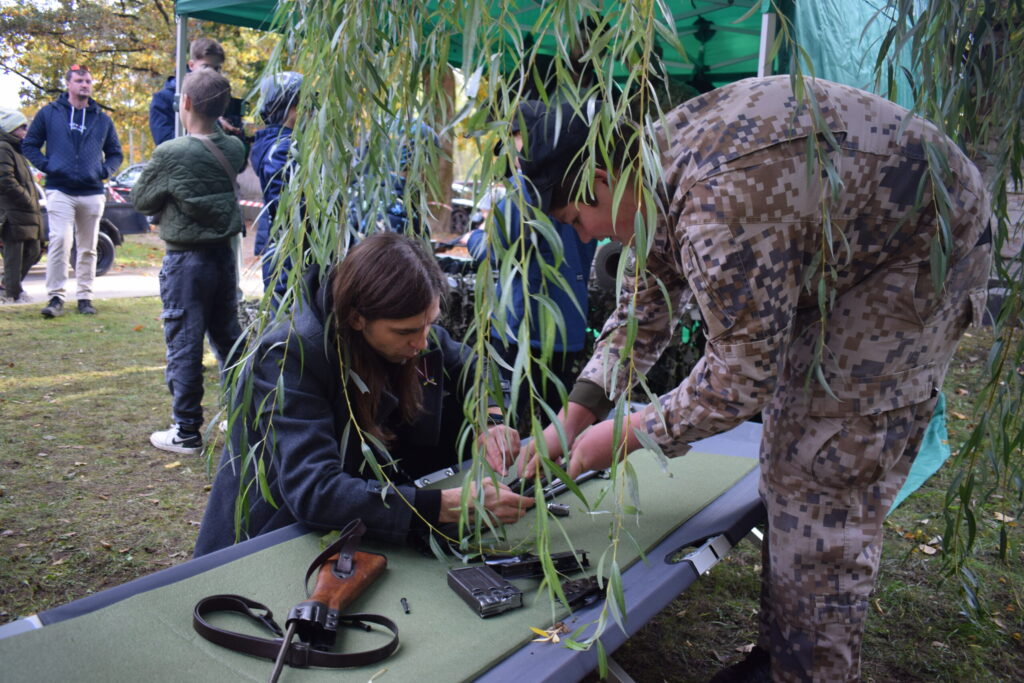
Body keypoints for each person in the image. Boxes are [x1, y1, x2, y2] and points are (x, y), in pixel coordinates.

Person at [516, 77, 992, 682]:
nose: (583, 236)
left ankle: (811, 669)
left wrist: (630, 432)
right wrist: (570, 423)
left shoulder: (718, 206)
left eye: (574, 217)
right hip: (855, 241)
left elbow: (738, 381)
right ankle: (780, 656)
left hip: (921, 248)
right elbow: (641, 315)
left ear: (601, 178)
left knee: (824, 469)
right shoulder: (655, 175)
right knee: (789, 451)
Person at [193, 232, 534, 556]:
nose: (422, 343)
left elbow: (475, 369)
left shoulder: (413, 335)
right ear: (357, 318)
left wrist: (491, 420)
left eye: (429, 324)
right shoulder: (289, 358)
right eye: (407, 332)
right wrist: (445, 506)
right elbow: (316, 492)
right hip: (272, 542)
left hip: (370, 526)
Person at [132, 68, 246, 456]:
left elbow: (141, 198)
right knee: (229, 339)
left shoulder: (171, 153)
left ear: (184, 103)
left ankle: (186, 431)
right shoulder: (233, 148)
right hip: (223, 258)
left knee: (184, 344)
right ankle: (241, 415)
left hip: (185, 263)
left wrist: (170, 199)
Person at [464, 102, 596, 429]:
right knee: (559, 422)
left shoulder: (525, 192)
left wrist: (473, 237)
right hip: (568, 325)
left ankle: (502, 476)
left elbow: (492, 250)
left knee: (502, 418)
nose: (511, 155)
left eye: (514, 142)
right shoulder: (581, 187)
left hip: (521, 327)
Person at [23, 64, 122, 317]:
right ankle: (56, 297)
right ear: (68, 84)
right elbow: (30, 144)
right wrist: (48, 166)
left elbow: (115, 153)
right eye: (79, 80)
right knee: (60, 241)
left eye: (88, 81)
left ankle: (85, 297)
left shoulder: (102, 118)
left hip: (92, 191)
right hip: (60, 189)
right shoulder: (49, 114)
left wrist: (104, 171)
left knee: (88, 247)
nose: (85, 85)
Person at [250, 71, 302, 292]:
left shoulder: (276, 143)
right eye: (307, 104)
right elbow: (287, 208)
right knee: (288, 319)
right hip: (289, 254)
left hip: (286, 250)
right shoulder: (283, 149)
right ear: (292, 108)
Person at [149, 37, 242, 146]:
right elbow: (165, 144)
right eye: (205, 66)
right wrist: (216, 126)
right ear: (191, 65)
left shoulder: (222, 96)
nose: (211, 73)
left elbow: (238, 147)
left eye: (216, 69)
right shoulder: (164, 99)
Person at [0, 109, 44, 304]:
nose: (26, 131)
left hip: (26, 212)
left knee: (34, 251)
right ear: (11, 128)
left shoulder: (17, 149)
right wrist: (26, 198)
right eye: (22, 127)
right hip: (12, 212)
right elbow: (5, 180)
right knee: (14, 255)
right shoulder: (4, 148)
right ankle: (11, 293)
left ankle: (8, 287)